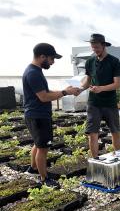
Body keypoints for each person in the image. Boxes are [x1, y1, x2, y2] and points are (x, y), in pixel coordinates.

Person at [23, 43, 80, 187]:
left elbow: (44, 92)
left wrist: (64, 90)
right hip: (38, 116)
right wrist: (65, 92)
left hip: (35, 114)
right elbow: (43, 97)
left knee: (38, 144)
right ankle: (44, 178)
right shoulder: (33, 73)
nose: (53, 62)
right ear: (42, 56)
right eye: (51, 59)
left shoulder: (34, 71)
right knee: (43, 148)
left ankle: (33, 168)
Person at [81, 34, 120, 158]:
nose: (95, 50)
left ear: (104, 45)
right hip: (93, 103)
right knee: (92, 133)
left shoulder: (114, 61)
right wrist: (79, 88)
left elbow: (117, 84)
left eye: (97, 47)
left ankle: (119, 158)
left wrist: (101, 88)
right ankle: (95, 161)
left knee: (114, 131)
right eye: (93, 48)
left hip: (110, 102)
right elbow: (88, 81)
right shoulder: (90, 62)